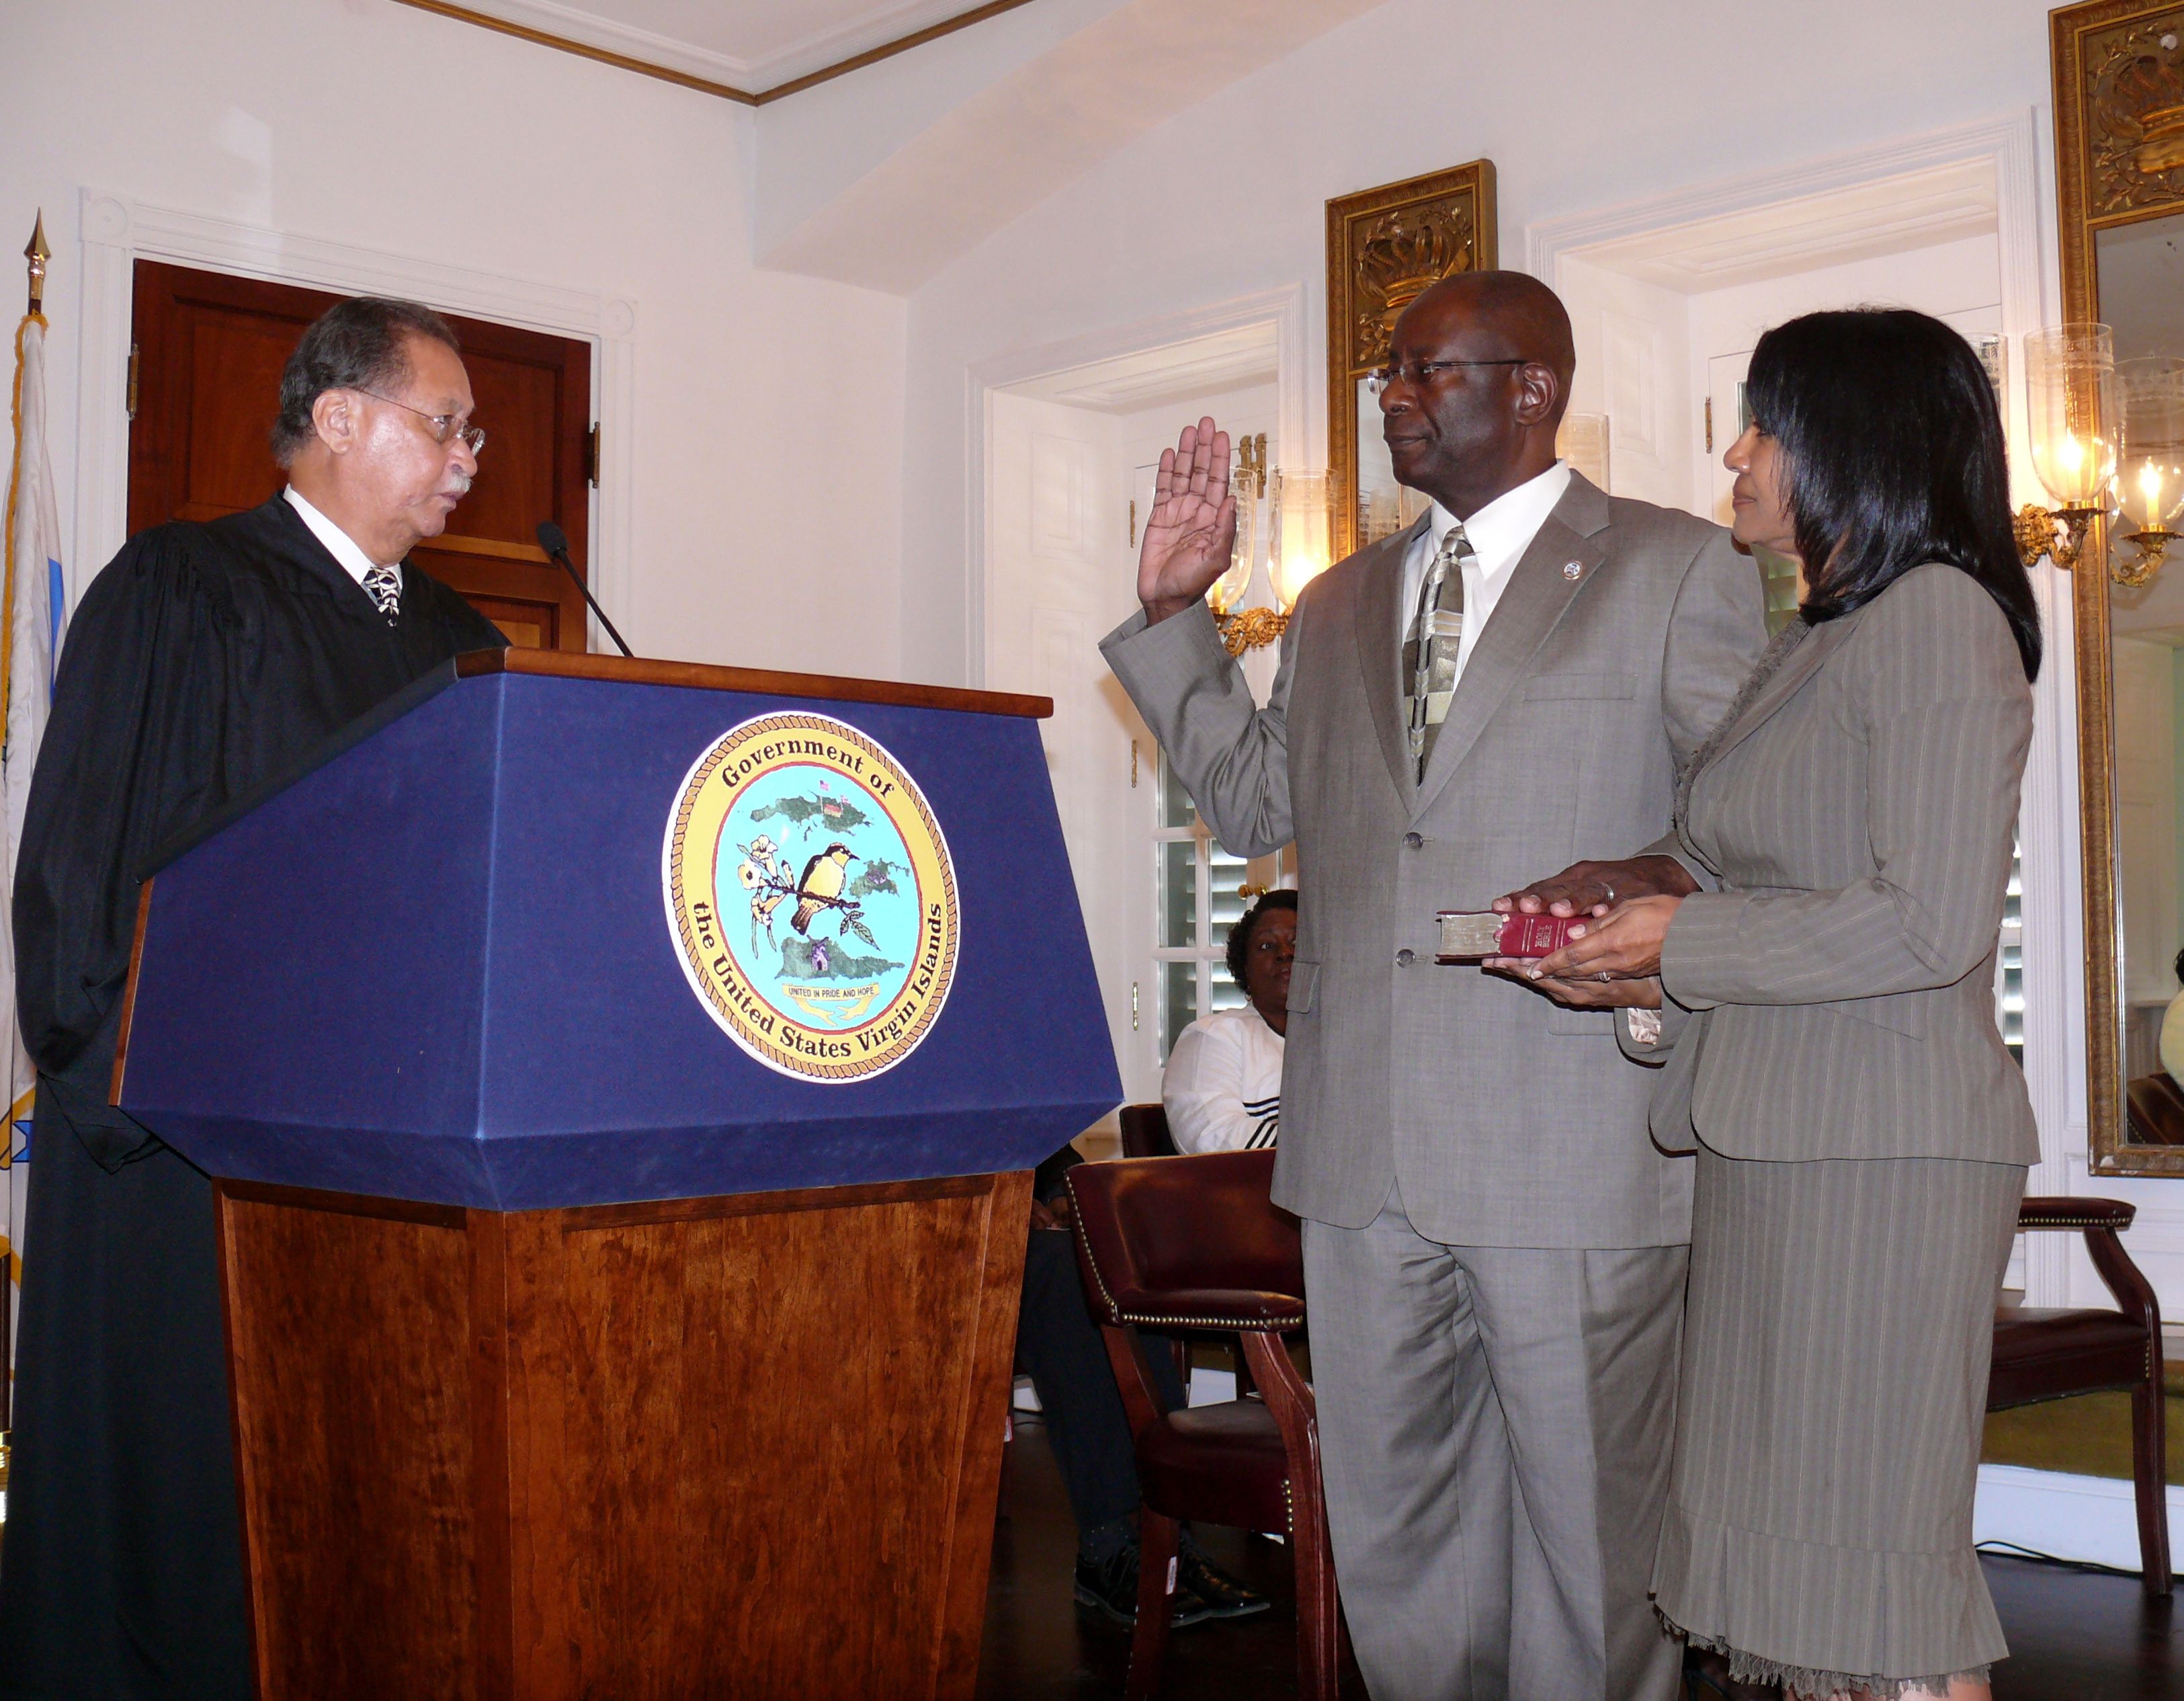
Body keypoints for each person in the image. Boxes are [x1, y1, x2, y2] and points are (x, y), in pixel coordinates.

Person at [1100, 269, 1767, 1701]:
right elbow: (1244, 792)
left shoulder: (1671, 566)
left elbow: (1747, 817)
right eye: (1386, 375)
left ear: (1530, 387)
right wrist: (1171, 612)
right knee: (1397, 1544)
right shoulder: (1341, 601)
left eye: (1427, 371)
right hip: (1359, 1161)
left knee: (1592, 1548)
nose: (1393, 397)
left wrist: (1644, 870)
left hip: (1572, 1140)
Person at [1500, 308, 2041, 1701]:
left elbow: (1925, 921)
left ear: (1850, 442)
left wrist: (1683, 937)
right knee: (1793, 1572)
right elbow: (1764, 898)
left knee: (1873, 1573)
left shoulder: (1938, 618)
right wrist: (1631, 961)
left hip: (1877, 1156)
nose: (1733, 452)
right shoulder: (1806, 640)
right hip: (1773, 1139)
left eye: (1762, 423)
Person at [1, 296, 508, 1699]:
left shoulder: (465, 641)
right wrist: (132, 1104)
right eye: (444, 421)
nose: (470, 455)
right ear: (337, 417)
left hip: (386, 1172)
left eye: (476, 431)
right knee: (186, 1531)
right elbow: (81, 861)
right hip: (181, 1158)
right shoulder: (184, 586)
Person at [1015, 1145, 1269, 1627]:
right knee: (1063, 1268)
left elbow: (1046, 1138)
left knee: (1118, 1249)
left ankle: (1168, 1533)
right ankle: (1105, 1542)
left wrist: (1062, 1191)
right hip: (939, 1222)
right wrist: (999, 1199)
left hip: (1025, 1220)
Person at [1163, 888, 1295, 1153]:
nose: (1284, 953)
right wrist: (1329, 1154)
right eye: (1267, 946)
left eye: (1298, 943)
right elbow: (1214, 1139)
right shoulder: (1213, 1037)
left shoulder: (1347, 1041)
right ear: (1245, 966)